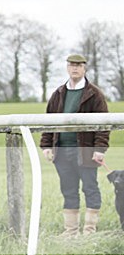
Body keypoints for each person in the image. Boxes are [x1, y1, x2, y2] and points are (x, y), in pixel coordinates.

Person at [40, 54, 109, 236]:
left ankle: (89, 230)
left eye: (78, 65)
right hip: (61, 151)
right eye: (72, 65)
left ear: (85, 68)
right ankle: (70, 231)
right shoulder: (59, 93)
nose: (75, 68)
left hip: (86, 151)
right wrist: (47, 146)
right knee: (68, 190)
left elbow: (104, 124)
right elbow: (48, 122)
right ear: (67, 68)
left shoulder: (94, 94)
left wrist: (99, 149)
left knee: (90, 188)